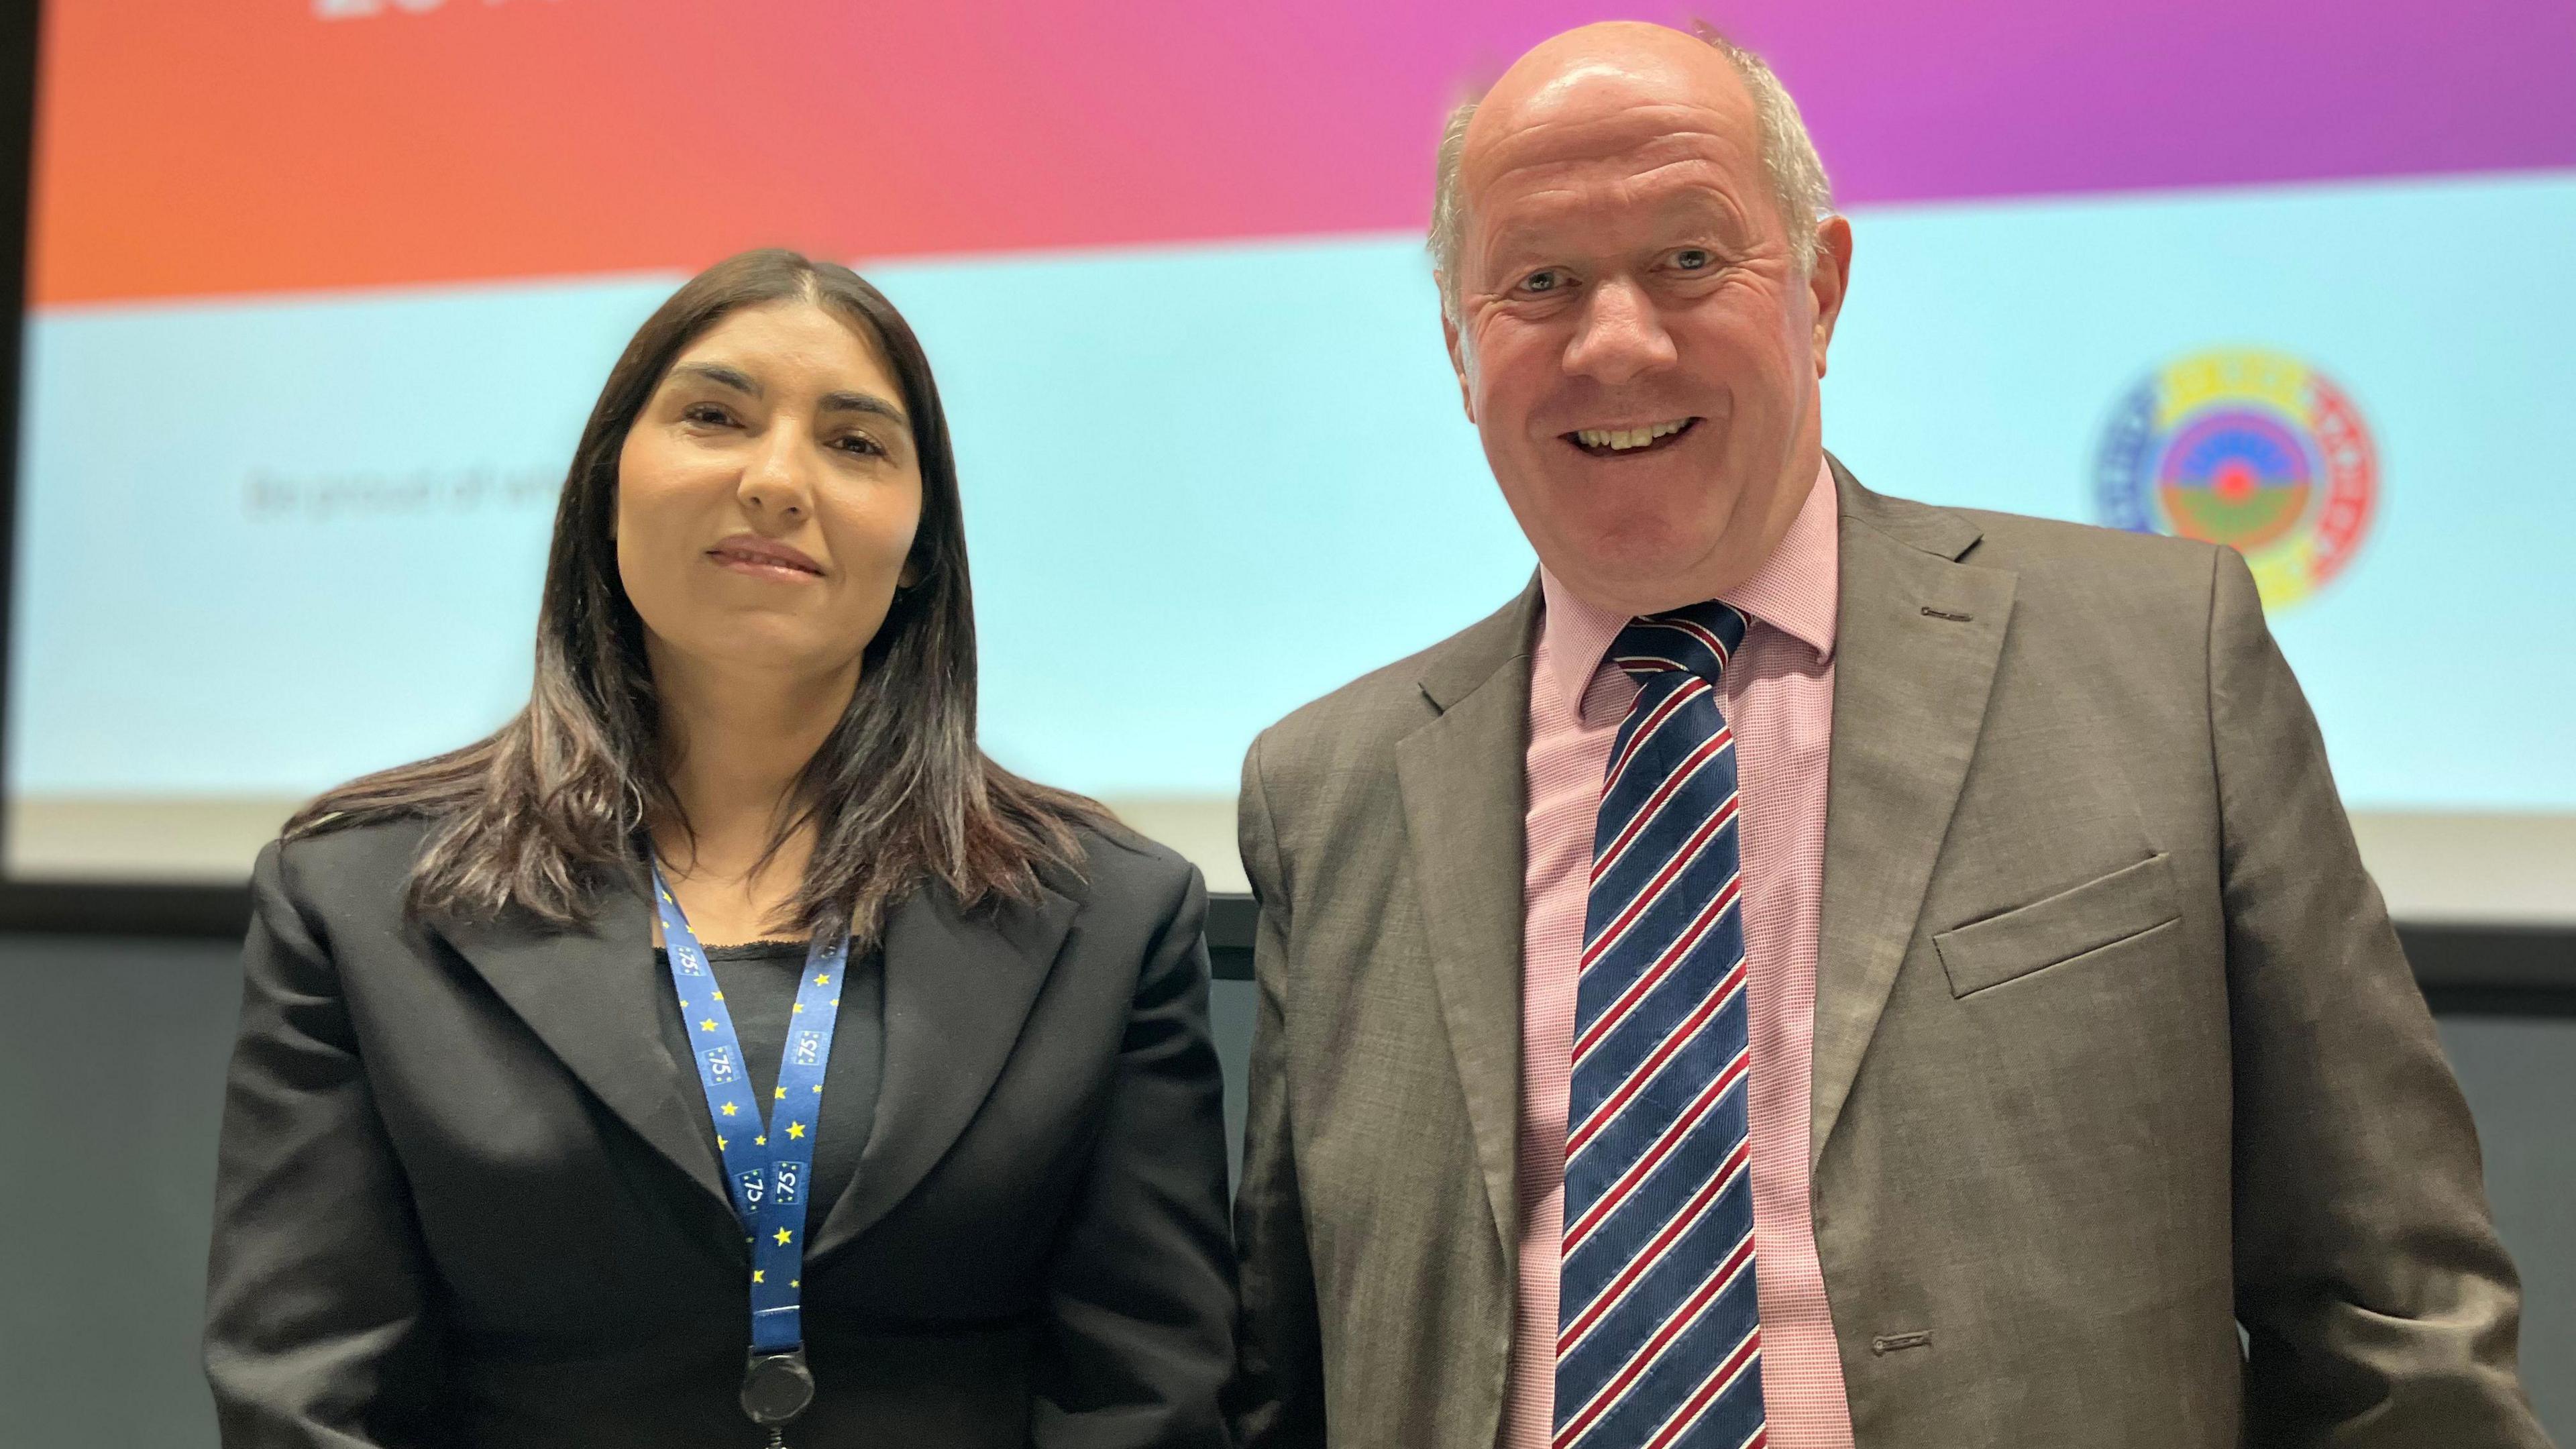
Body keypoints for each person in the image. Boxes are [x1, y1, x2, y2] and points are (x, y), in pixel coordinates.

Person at [1227, 23, 2546, 1449]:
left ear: (1822, 287)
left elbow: (2391, 1318)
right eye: (1540, 282)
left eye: (1687, 260)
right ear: (1458, 345)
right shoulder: (1330, 793)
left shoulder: (2164, 663)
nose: (1616, 341)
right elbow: (1282, 1381)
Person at [205, 249, 1235, 1448]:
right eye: (714, 416)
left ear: (921, 553)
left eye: (856, 444)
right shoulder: (360, 894)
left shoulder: (1107, 913)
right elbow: (307, 1393)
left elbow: (1145, 1396)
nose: (778, 480)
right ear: (606, 488)